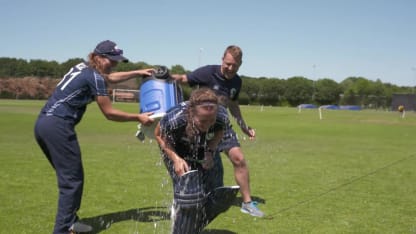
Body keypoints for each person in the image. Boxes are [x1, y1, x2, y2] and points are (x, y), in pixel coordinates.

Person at [34, 40, 155, 234]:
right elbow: (109, 113)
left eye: (117, 61)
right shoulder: (94, 77)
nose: (114, 64)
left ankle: (71, 220)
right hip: (58, 125)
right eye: (111, 60)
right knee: (72, 181)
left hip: (44, 124)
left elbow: (110, 77)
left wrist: (137, 72)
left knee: (70, 177)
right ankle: (63, 229)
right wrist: (137, 117)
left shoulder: (83, 67)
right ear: (97, 57)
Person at [170, 45, 264, 217]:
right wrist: (166, 77)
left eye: (234, 66)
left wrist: (243, 125)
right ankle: (188, 202)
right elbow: (183, 78)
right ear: (222, 59)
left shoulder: (237, 81)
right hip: (200, 125)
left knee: (239, 159)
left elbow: (233, 104)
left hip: (222, 124)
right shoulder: (207, 73)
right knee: (201, 165)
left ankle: (247, 203)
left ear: (240, 64)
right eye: (227, 64)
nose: (230, 68)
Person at [155, 88, 239, 233]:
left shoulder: (221, 115)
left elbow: (220, 131)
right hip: (176, 148)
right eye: (203, 121)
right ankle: (183, 216)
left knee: (216, 194)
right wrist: (176, 159)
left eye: (211, 120)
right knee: (190, 196)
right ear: (191, 112)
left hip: (203, 145)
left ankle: (191, 227)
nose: (207, 125)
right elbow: (159, 135)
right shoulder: (176, 118)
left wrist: (210, 151)